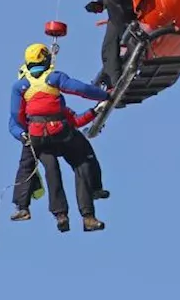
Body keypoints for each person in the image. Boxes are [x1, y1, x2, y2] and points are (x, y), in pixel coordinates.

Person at [8, 42, 111, 232]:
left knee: (50, 169)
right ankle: (89, 214)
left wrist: (23, 135)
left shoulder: (20, 86)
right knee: (82, 161)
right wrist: (104, 96)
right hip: (60, 132)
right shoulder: (54, 78)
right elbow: (81, 90)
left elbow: (15, 119)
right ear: (46, 59)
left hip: (37, 138)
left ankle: (56, 214)